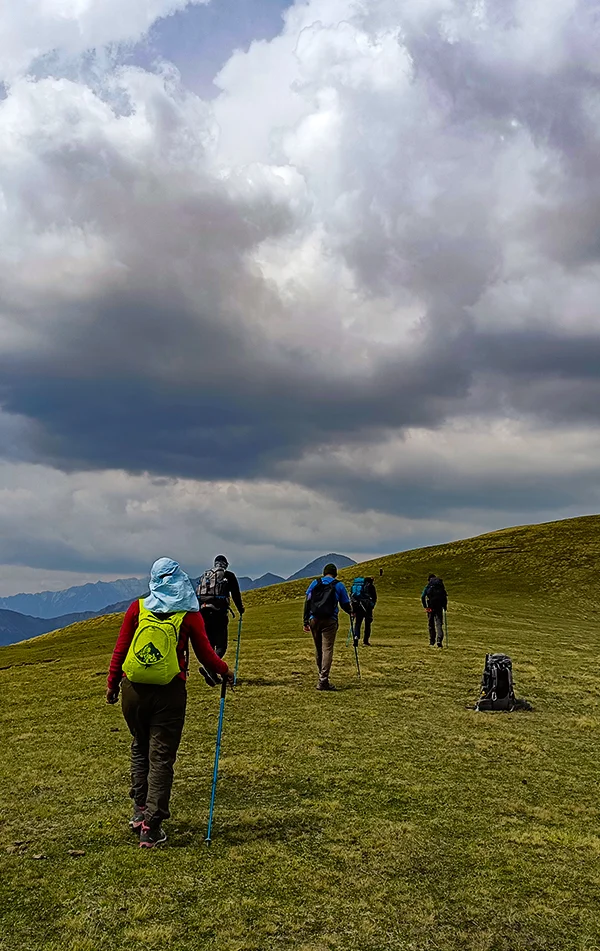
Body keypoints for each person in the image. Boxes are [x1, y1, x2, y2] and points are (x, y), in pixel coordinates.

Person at [106, 557, 233, 849]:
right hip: (170, 692)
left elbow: (121, 649)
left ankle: (140, 811)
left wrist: (112, 684)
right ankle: (151, 826)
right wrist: (225, 670)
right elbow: (205, 655)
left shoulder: (137, 608)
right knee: (161, 756)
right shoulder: (188, 614)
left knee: (139, 745)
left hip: (133, 689)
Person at [303, 562, 352, 691]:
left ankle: (321, 676)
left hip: (314, 620)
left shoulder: (315, 583)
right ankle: (323, 680)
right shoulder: (338, 585)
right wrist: (351, 612)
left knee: (319, 649)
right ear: (335, 573)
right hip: (330, 620)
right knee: (327, 649)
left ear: (324, 572)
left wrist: (305, 621)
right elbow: (345, 604)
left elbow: (307, 601)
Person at [197, 555, 245, 661]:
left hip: (204, 612)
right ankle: (211, 668)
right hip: (219, 613)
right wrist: (240, 609)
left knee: (209, 644)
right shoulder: (228, 576)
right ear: (225, 564)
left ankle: (210, 671)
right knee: (221, 646)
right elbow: (236, 594)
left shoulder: (206, 576)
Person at [421, 573, 448, 648]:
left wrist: (425, 607)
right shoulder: (440, 586)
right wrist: (445, 607)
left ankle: (432, 641)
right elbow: (445, 597)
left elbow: (423, 596)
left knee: (431, 624)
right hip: (439, 607)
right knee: (439, 624)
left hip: (431, 606)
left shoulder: (429, 586)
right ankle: (439, 640)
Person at [350, 576, 377, 645]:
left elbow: (351, 595)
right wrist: (372, 605)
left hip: (358, 606)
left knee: (358, 623)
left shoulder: (357, 586)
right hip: (367, 607)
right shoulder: (370, 586)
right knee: (367, 624)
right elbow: (374, 597)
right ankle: (365, 641)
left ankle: (356, 637)